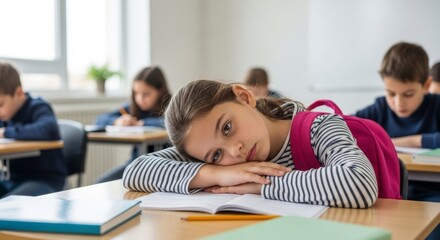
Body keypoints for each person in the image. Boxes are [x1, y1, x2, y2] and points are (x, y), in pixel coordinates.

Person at [123, 79, 379, 209]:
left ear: (244, 97)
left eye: (227, 127)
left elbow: (359, 183)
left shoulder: (319, 128)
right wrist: (219, 173)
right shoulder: (220, 162)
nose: (235, 151)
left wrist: (257, 186)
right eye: (216, 155)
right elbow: (136, 172)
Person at [354, 42, 440, 239]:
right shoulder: (380, 108)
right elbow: (345, 126)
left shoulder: (436, 106)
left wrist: (412, 141)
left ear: (426, 85)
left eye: (408, 94)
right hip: (390, 194)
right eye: (391, 94)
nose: (398, 103)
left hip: (433, 194)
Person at [0, 61, 67, 198]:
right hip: (12, 180)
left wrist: (6, 132)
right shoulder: (6, 114)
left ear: (18, 93)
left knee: (6, 207)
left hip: (44, 180)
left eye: (0, 104)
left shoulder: (38, 107)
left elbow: (49, 129)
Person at [95, 66, 171, 183]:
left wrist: (141, 123)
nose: (140, 98)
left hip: (164, 167)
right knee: (100, 183)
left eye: (146, 94)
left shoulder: (172, 106)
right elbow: (100, 120)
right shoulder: (132, 108)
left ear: (160, 91)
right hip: (135, 164)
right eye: (136, 93)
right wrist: (118, 121)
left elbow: (169, 123)